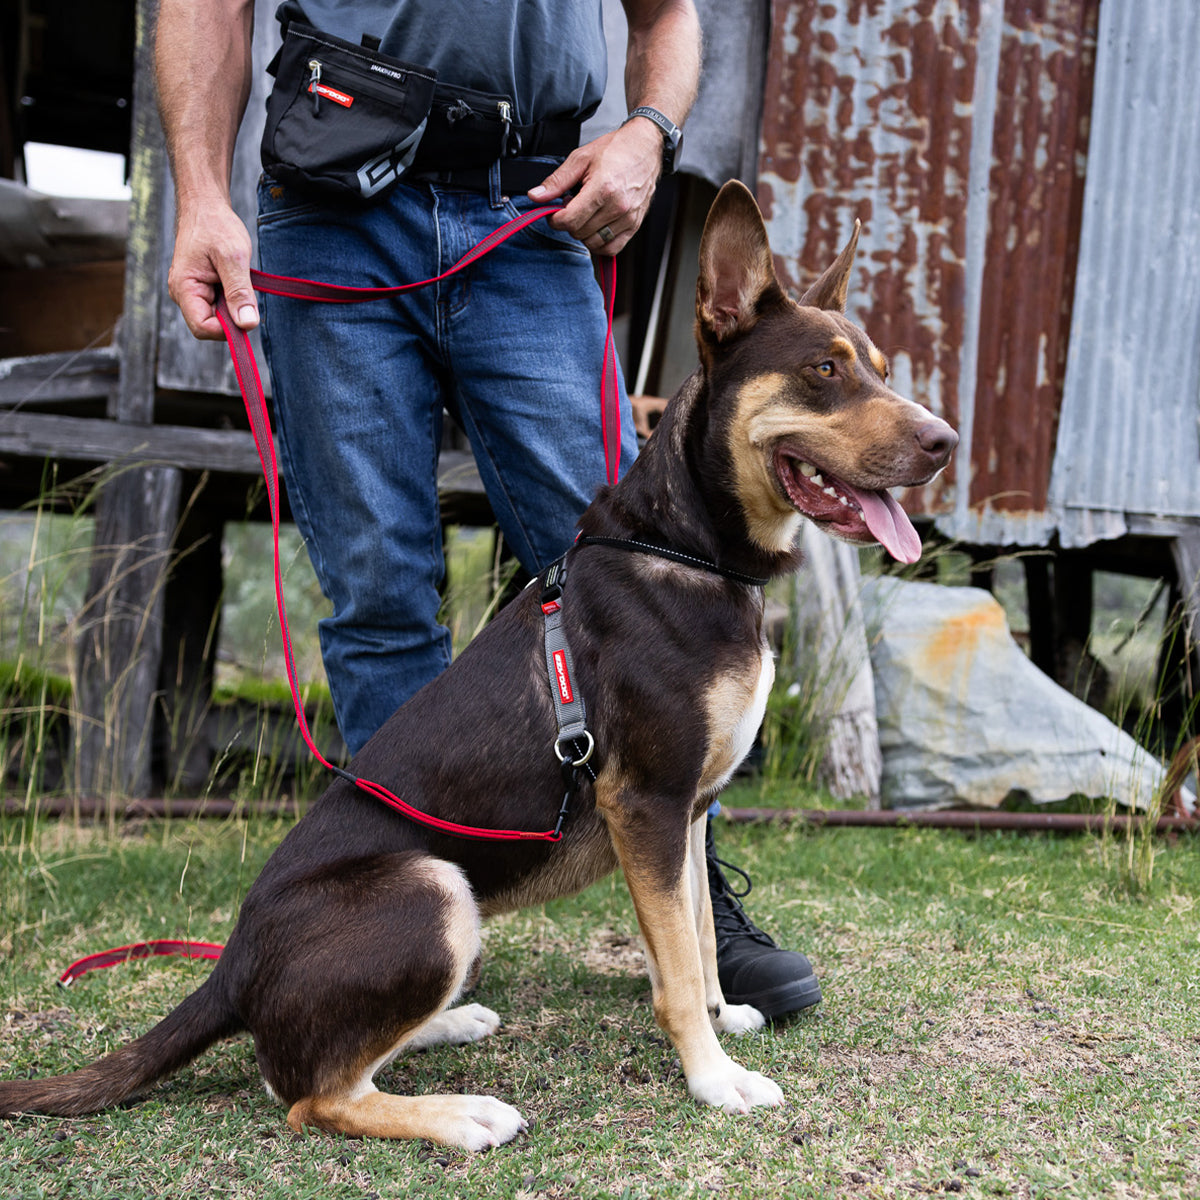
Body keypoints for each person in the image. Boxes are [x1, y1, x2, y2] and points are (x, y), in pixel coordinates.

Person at [155, 0, 820, 1019]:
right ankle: (412, 929)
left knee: (653, 562)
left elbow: (667, 15)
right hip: (332, 202)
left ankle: (697, 915)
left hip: (532, 209)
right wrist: (201, 195)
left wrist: (649, 133)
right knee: (377, 589)